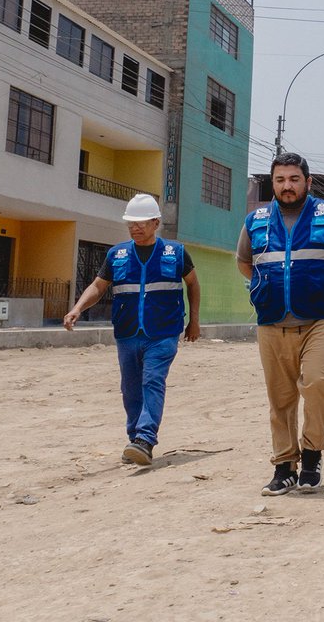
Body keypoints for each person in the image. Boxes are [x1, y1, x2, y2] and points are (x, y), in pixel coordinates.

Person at [237, 153, 324, 496]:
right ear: (273, 184)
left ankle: (311, 455)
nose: (287, 186)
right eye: (280, 180)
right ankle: (284, 467)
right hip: (272, 322)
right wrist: (264, 288)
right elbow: (244, 263)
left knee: (319, 382)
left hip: (320, 319)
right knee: (280, 398)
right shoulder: (256, 221)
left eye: (294, 179)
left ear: (307, 182)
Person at [64, 194, 200, 466]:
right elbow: (98, 286)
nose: (135, 228)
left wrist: (194, 321)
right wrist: (77, 307)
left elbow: (193, 285)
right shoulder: (117, 254)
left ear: (156, 223)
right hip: (127, 333)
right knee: (130, 389)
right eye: (131, 224)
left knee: (152, 381)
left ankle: (145, 439)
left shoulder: (176, 252)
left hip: (163, 333)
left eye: (141, 223)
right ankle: (134, 439)